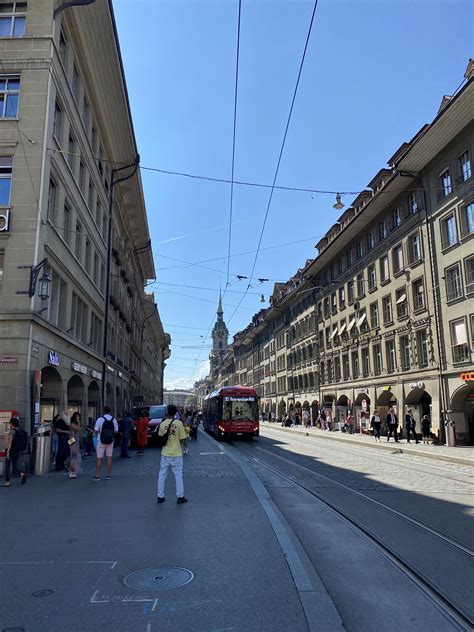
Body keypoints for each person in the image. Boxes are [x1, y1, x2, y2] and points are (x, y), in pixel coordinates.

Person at [157, 404, 188, 504]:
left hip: (165, 452)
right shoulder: (178, 423)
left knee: (162, 475)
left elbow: (160, 438)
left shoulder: (162, 424)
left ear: (167, 412)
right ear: (175, 413)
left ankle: (160, 496)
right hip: (176, 453)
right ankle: (180, 496)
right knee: (178, 475)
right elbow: (183, 438)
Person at [93, 406, 118, 481]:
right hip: (110, 440)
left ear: (103, 411)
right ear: (110, 411)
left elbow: (96, 430)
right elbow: (116, 430)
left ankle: (97, 475)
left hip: (101, 440)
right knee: (109, 458)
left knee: (99, 458)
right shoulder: (114, 419)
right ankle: (109, 475)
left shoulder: (100, 419)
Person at [3, 418, 28, 487]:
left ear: (12, 424)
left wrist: (7, 452)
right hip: (20, 451)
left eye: (10, 423)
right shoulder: (21, 431)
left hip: (12, 451)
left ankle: (7, 481)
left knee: (7, 465)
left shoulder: (12, 432)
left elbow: (10, 443)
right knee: (16, 465)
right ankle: (22, 474)